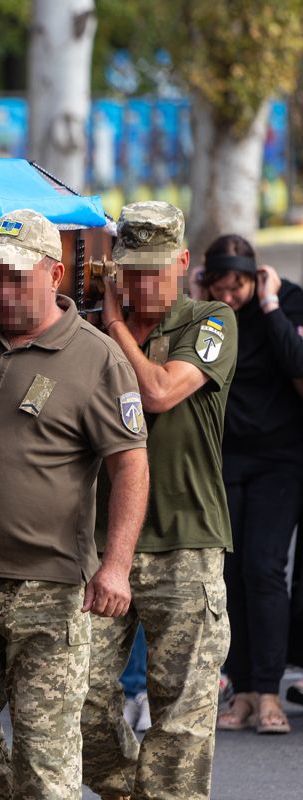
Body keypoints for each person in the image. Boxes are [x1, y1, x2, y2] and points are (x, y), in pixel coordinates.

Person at [0, 209, 149, 800]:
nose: (4, 288)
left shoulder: (97, 358)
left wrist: (116, 564)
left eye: (17, 275)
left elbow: (130, 466)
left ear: (54, 273)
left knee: (47, 762)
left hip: (50, 589)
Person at [82, 200, 237, 800]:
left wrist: (115, 325)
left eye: (155, 268)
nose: (144, 282)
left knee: (183, 720)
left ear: (181, 262)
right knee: (78, 701)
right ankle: (135, 792)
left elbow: (161, 391)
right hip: (101, 545)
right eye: (131, 269)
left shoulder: (210, 318)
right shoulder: (87, 327)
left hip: (187, 543)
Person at [196, 234, 303, 735]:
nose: (228, 297)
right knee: (231, 576)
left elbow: (297, 363)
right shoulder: (208, 316)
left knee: (264, 570)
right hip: (225, 462)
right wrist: (197, 303)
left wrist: (271, 303)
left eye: (237, 287)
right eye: (219, 288)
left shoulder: (285, 303)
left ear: (255, 277)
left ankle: (268, 691)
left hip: (280, 460)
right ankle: (239, 689)